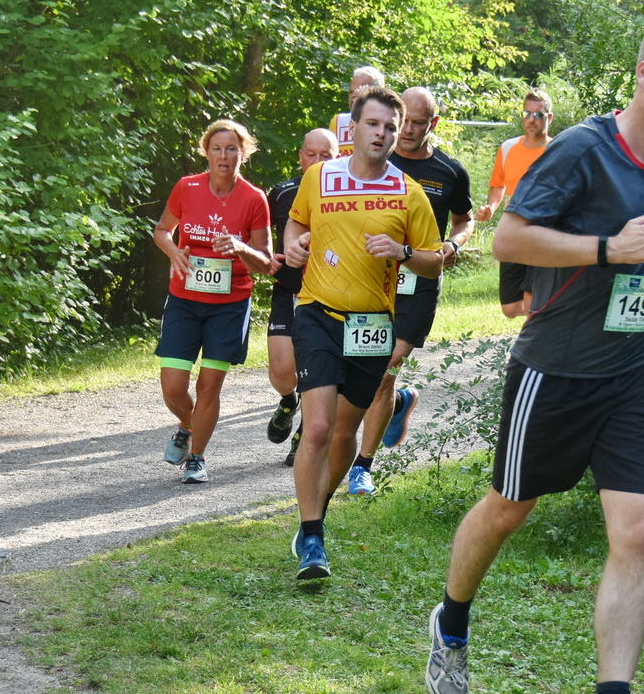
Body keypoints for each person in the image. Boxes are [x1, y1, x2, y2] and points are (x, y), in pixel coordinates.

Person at [422, 22, 644, 694]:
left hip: (632, 370)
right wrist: (606, 251)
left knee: (638, 530)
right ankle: (451, 622)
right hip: (554, 370)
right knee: (508, 509)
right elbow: (509, 238)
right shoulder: (582, 149)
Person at [282, 84, 442, 579]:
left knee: (343, 435)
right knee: (318, 428)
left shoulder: (408, 193)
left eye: (391, 127)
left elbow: (434, 262)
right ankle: (312, 539)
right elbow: (295, 225)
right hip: (318, 313)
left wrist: (402, 253)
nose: (382, 133)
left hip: (371, 327)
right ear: (352, 129)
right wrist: (294, 246)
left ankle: (318, 509)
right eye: (373, 124)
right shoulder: (320, 177)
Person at [346, 86, 475, 496]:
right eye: (406, 121)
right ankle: (399, 403)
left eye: (419, 123)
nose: (408, 130)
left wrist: (453, 243)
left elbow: (465, 219)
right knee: (362, 371)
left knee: (385, 368)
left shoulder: (449, 171)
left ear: (432, 123)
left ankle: (362, 466)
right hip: (369, 280)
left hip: (418, 282)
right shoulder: (374, 160)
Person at [151, 119, 274, 484]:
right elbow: (162, 231)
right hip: (184, 299)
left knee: (208, 386)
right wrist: (173, 251)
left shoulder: (254, 198)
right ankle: (188, 425)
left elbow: (266, 262)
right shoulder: (186, 187)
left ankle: (197, 458)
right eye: (217, 149)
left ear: (243, 153)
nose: (224, 156)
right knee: (173, 386)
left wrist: (240, 247)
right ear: (205, 152)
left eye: (231, 149)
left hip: (230, 304)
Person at [265, 128, 339, 467]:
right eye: (312, 154)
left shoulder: (347, 195)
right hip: (288, 289)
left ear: (338, 158)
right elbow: (260, 233)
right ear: (300, 156)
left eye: (326, 156)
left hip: (326, 295)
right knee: (282, 371)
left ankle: (306, 432)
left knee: (315, 369)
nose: (318, 161)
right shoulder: (282, 193)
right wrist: (265, 255)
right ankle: (287, 401)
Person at [472, 88, 554, 224]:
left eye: (538, 115)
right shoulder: (507, 148)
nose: (531, 120)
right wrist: (490, 208)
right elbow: (498, 185)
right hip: (512, 228)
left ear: (549, 118)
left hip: (545, 228)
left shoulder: (557, 151)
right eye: (527, 114)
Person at [329, 66, 386, 158]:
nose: (353, 98)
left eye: (359, 92)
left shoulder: (389, 125)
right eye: (351, 92)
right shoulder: (338, 122)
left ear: (378, 94)